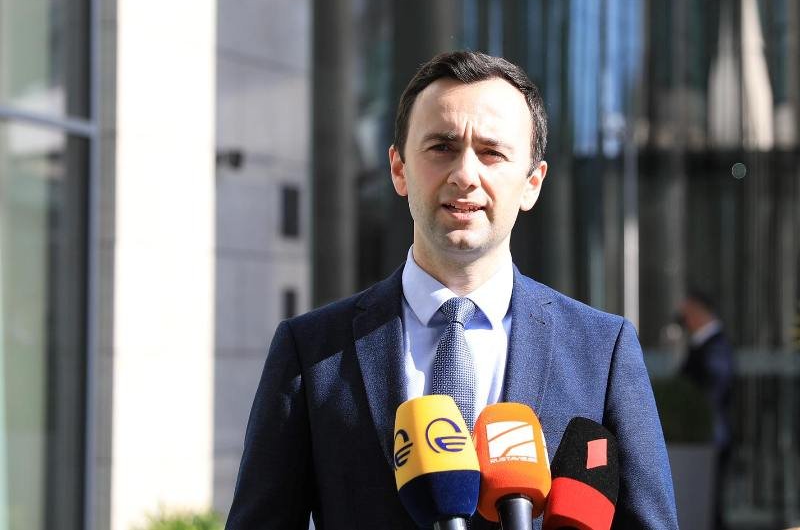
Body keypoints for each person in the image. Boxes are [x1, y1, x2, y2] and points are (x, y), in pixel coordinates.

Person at [226, 51, 678, 529]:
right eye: (442, 146)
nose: (465, 174)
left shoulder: (601, 350)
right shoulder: (311, 350)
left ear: (532, 183)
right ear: (399, 169)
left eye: (492, 152)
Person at [679, 291, 734, 530]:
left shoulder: (716, 346)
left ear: (699, 312)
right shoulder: (701, 345)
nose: (684, 321)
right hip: (703, 437)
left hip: (711, 436)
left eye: (687, 315)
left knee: (710, 507)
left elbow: (713, 390)